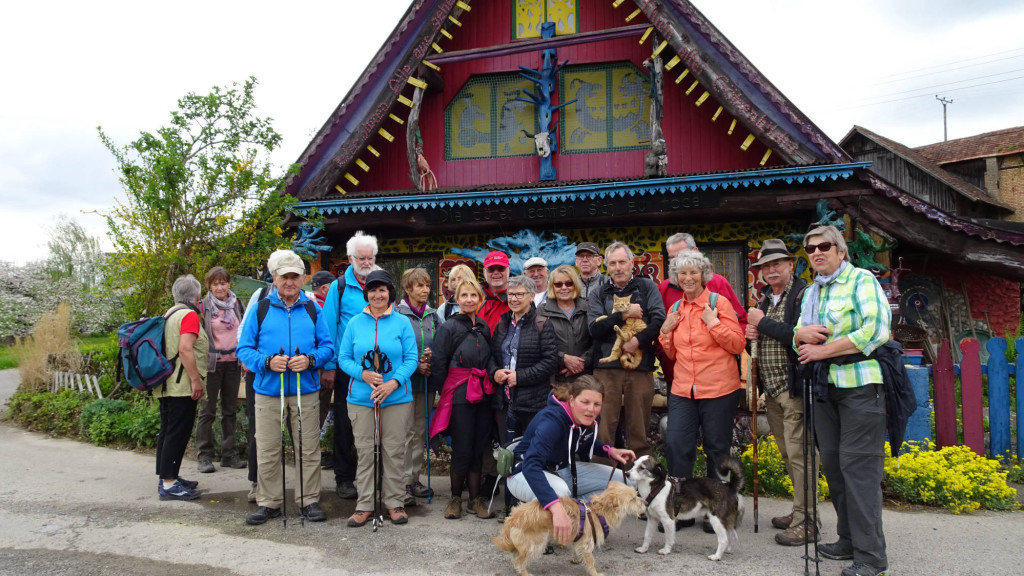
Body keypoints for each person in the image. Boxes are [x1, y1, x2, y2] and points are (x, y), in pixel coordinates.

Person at [794, 225, 891, 576]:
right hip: (824, 389)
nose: (817, 253)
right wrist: (799, 334)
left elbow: (876, 330)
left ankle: (871, 557)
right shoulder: (811, 292)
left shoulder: (861, 280)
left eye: (824, 246)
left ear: (840, 250)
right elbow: (800, 339)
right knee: (834, 467)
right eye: (810, 249)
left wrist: (822, 350)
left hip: (860, 385)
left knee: (859, 469)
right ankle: (848, 539)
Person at [236, 249, 334, 525]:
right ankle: (269, 503)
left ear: (303, 279)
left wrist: (311, 360)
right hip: (268, 390)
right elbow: (244, 349)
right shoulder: (261, 308)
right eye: (284, 276)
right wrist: (267, 362)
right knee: (267, 448)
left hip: (306, 390)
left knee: (308, 448)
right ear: (275, 278)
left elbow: (328, 347)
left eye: (295, 276)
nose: (290, 282)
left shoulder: (313, 309)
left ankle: (309, 500)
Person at [658, 249, 745, 532]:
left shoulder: (718, 304)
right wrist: (666, 332)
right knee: (676, 445)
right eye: (682, 273)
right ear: (676, 277)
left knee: (716, 448)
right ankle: (681, 508)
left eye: (693, 272)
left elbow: (737, 344)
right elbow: (670, 354)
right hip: (684, 387)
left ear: (704, 275)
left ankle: (716, 509)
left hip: (719, 387)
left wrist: (713, 322)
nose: (688, 278)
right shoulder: (674, 310)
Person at [744, 239, 816, 546]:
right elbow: (759, 346)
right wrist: (751, 336)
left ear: (790, 265)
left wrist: (763, 323)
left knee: (800, 455)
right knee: (789, 454)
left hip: (794, 387)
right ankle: (800, 510)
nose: (771, 270)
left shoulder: (803, 295)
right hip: (771, 391)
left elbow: (800, 337)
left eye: (777, 264)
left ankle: (808, 521)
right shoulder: (763, 301)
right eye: (765, 266)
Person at [505, 378, 635, 547]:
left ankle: (576, 518)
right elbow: (531, 465)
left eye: (597, 404)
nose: (591, 409)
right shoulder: (552, 420)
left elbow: (583, 441)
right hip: (523, 473)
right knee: (559, 493)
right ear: (572, 400)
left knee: (624, 483)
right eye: (585, 402)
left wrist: (609, 450)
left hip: (560, 470)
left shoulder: (589, 417)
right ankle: (539, 529)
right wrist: (557, 507)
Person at [337, 270, 420, 527]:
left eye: (382, 290)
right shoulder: (354, 324)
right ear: (367, 294)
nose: (377, 294)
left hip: (396, 399)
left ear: (390, 293)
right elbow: (343, 359)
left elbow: (411, 359)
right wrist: (362, 374)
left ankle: (394, 503)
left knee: (394, 451)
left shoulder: (402, 323)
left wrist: (393, 382)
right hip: (361, 400)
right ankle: (364, 505)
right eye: (372, 290)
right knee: (365, 452)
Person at [588, 241, 665, 461]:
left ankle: (640, 482)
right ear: (607, 267)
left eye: (622, 262)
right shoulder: (598, 293)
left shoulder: (646, 287)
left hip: (639, 365)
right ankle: (603, 479)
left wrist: (638, 341)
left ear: (632, 263)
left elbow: (659, 319)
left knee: (638, 428)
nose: (618, 267)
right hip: (606, 368)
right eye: (613, 263)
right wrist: (622, 315)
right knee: (604, 427)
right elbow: (594, 329)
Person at [428, 277, 497, 520]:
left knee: (479, 445)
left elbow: (489, 357)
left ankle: (475, 500)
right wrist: (443, 391)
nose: (469, 300)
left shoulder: (484, 326)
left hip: (483, 392)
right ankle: (455, 498)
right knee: (462, 446)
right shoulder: (449, 327)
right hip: (459, 392)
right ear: (457, 299)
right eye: (464, 295)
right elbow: (438, 361)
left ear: (481, 298)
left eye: (473, 295)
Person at [322, 230, 381, 501]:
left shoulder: (382, 283)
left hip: (381, 368)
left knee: (378, 424)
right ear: (350, 258)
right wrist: (331, 366)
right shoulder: (339, 287)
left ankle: (373, 476)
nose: (367, 262)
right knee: (346, 423)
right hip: (349, 369)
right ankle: (344, 477)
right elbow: (328, 327)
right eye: (362, 257)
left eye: (370, 257)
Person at [658, 232, 748, 389]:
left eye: (682, 255)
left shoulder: (718, 283)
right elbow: (660, 327)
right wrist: (664, 357)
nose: (679, 262)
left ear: (696, 251)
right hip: (678, 377)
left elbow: (741, 323)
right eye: (672, 258)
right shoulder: (664, 288)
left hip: (716, 380)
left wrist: (716, 328)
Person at [155, 275, 208, 501]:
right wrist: (196, 380)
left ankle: (168, 477)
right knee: (177, 432)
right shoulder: (189, 315)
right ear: (196, 296)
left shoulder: (170, 313)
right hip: (181, 385)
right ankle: (169, 485)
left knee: (167, 431)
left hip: (166, 383)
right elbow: (185, 349)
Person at [490, 276, 559, 443]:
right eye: (511, 294)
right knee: (507, 449)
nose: (513, 299)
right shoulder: (502, 324)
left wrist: (520, 377)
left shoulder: (542, 324)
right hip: (504, 401)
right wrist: (494, 372)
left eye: (519, 294)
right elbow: (492, 356)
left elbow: (550, 362)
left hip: (533, 402)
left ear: (531, 295)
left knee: (531, 447)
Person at [396, 267, 440, 506]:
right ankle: (402, 481)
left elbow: (442, 343)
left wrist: (433, 356)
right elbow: (394, 350)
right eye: (419, 286)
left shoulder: (433, 316)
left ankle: (414, 478)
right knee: (405, 432)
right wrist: (415, 366)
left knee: (420, 431)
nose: (424, 290)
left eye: (427, 285)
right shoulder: (398, 315)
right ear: (408, 289)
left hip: (427, 381)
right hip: (405, 382)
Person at [195, 267, 246, 474]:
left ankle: (228, 454)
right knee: (207, 411)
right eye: (215, 284)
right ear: (209, 286)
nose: (220, 287)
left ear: (228, 284)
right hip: (211, 364)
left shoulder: (237, 304)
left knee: (230, 410)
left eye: (223, 283)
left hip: (233, 362)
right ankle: (204, 456)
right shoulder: (203, 307)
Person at [538, 265, 594, 390]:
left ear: (575, 285)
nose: (564, 288)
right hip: (553, 380)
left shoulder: (588, 308)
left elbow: (597, 339)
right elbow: (537, 343)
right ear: (552, 286)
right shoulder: (541, 311)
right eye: (558, 284)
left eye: (569, 283)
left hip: (585, 379)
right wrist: (562, 358)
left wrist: (582, 363)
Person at [479, 250, 511, 334]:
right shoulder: (475, 296)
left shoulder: (518, 297)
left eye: (501, 269)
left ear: (509, 270)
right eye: (491, 269)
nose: (496, 273)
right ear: (484, 272)